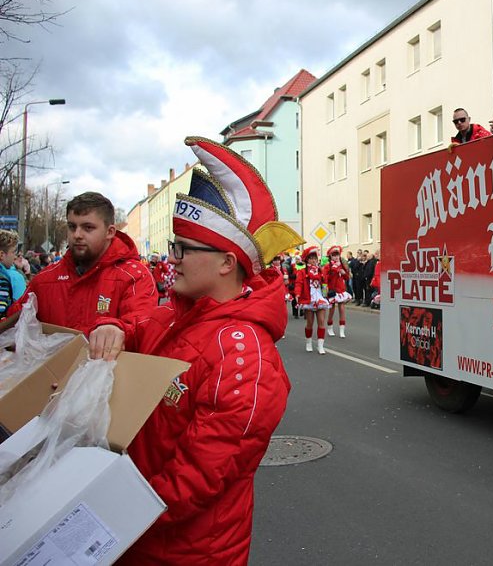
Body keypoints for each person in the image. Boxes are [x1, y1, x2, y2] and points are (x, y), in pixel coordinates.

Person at [88, 136, 302, 565]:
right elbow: (131, 331)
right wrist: (109, 327)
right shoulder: (173, 316)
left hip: (186, 550)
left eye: (184, 250)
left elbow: (197, 478)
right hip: (135, 537)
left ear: (226, 262)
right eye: (175, 248)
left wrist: (113, 515)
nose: (173, 260)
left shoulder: (244, 354)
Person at [3, 192, 158, 332]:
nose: (77, 235)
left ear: (110, 232)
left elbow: (143, 329)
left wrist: (119, 331)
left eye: (88, 228)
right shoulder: (45, 280)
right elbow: (11, 324)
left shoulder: (135, 277)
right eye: (72, 227)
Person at [294, 245, 331, 354]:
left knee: (321, 321)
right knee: (310, 322)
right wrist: (297, 293)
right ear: (307, 260)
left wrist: (326, 291)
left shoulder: (321, 271)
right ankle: (309, 342)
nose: (313, 260)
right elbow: (299, 283)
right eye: (311, 258)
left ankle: (320, 346)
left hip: (320, 298)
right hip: (308, 299)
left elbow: (324, 283)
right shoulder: (302, 272)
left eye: (315, 258)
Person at [323, 245, 352, 338]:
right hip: (332, 290)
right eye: (334, 255)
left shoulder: (342, 265)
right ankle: (330, 327)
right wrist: (324, 293)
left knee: (342, 310)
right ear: (330, 256)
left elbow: (347, 278)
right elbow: (324, 279)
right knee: (331, 310)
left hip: (341, 290)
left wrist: (345, 273)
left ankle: (342, 330)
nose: (336, 257)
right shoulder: (328, 266)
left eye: (337, 255)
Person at [0, 231, 17, 316]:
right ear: (2, 255)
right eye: (13, 252)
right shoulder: (2, 280)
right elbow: (1, 310)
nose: (15, 256)